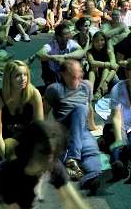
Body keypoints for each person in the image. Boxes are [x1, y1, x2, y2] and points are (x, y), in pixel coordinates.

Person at [0, 121, 90, 209]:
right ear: (29, 151)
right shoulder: (7, 179)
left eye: (53, 153)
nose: (50, 158)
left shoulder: (53, 165)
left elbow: (72, 200)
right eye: (44, 152)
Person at [43, 60, 101, 193]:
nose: (78, 78)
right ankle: (72, 157)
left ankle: (91, 177)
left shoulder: (86, 86)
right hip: (63, 131)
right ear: (63, 74)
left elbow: (89, 108)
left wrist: (93, 126)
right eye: (73, 75)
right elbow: (44, 111)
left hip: (82, 131)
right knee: (80, 109)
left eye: (79, 74)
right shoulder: (54, 89)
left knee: (91, 151)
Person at [0, 61, 43, 160]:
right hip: (6, 139)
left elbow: (39, 126)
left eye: (25, 74)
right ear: (9, 79)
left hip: (27, 137)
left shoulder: (34, 94)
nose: (23, 78)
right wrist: (5, 159)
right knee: (14, 152)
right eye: (18, 75)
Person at [86, 31, 117, 99]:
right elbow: (92, 63)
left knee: (106, 69)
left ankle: (99, 91)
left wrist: (106, 82)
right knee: (93, 68)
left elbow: (115, 68)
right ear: (93, 42)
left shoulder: (109, 52)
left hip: (107, 78)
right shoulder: (89, 52)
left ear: (105, 41)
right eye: (96, 41)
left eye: (102, 40)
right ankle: (90, 91)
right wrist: (107, 64)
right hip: (94, 75)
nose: (99, 43)